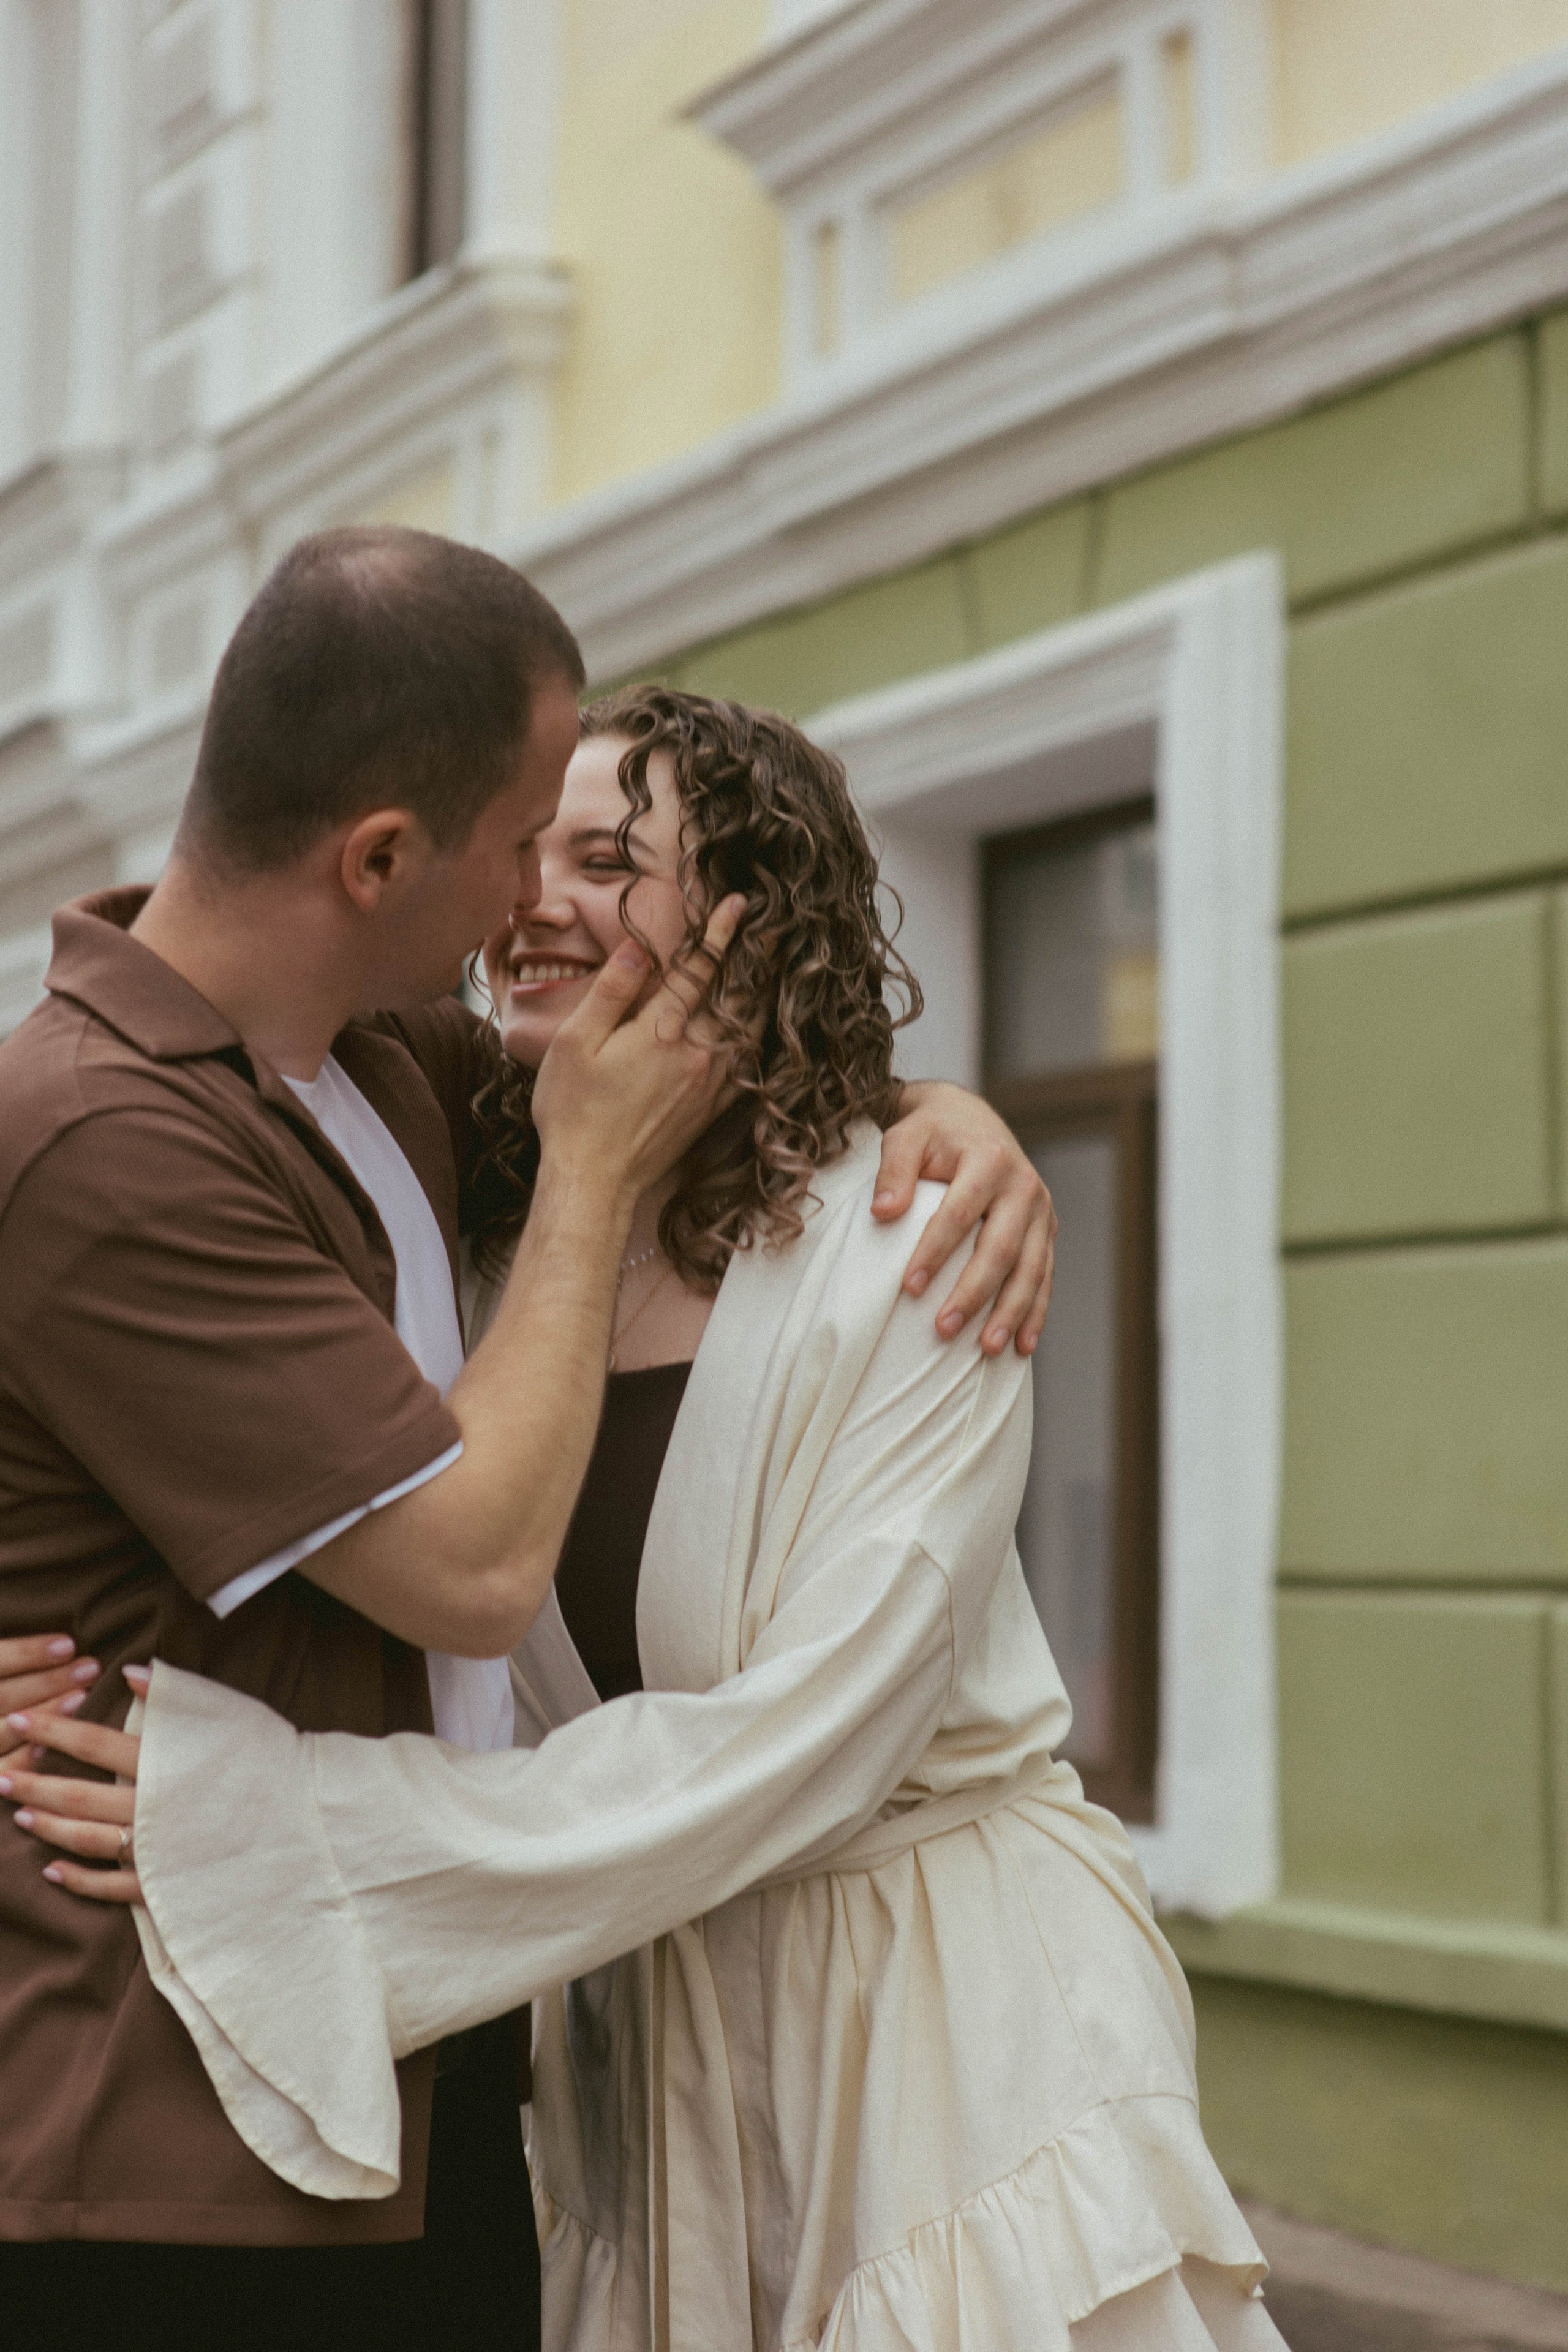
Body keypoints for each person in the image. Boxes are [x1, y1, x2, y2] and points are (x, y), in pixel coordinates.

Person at [9, 690, 1283, 2351]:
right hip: (649, 2051)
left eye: (608, 858)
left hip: (937, 2024)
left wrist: (292, 1821)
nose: (536, 896)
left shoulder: (908, 1250)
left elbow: (806, 1737)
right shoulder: (485, 1267)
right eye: (530, 850)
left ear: (753, 932)